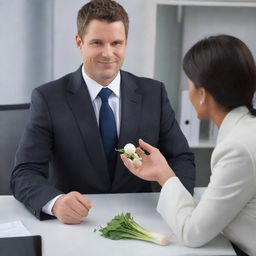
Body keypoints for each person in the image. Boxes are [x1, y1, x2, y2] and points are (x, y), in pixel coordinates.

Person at [10, 0, 195, 225]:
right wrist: (56, 203)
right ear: (79, 42)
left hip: (143, 218)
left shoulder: (153, 93)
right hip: (77, 222)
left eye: (116, 43)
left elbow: (180, 158)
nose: (108, 53)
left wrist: (180, 206)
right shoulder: (48, 98)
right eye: (97, 43)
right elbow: (24, 172)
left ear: (126, 43)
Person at [121, 34, 256, 256]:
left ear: (202, 93)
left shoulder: (238, 148)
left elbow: (192, 233)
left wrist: (163, 174)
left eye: (190, 83)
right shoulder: (245, 129)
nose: (188, 90)